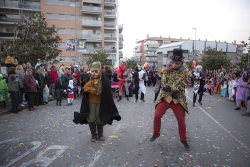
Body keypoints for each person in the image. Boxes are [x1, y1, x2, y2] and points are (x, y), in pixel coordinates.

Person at [150, 48, 191, 150]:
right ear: (171, 62)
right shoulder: (166, 71)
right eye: (173, 63)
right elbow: (164, 83)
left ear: (181, 63)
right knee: (157, 116)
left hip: (178, 100)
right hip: (166, 98)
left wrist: (172, 89)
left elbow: (183, 85)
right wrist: (166, 87)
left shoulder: (186, 73)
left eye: (177, 63)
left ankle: (183, 139)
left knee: (181, 121)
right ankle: (156, 133)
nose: (175, 65)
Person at [73, 61, 121, 142]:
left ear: (100, 70)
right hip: (91, 102)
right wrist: (95, 91)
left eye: (96, 71)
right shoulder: (89, 79)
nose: (94, 73)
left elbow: (106, 88)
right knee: (91, 118)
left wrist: (102, 91)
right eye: (93, 71)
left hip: (101, 102)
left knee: (99, 118)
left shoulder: (104, 80)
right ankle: (94, 135)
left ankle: (100, 134)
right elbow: (85, 88)